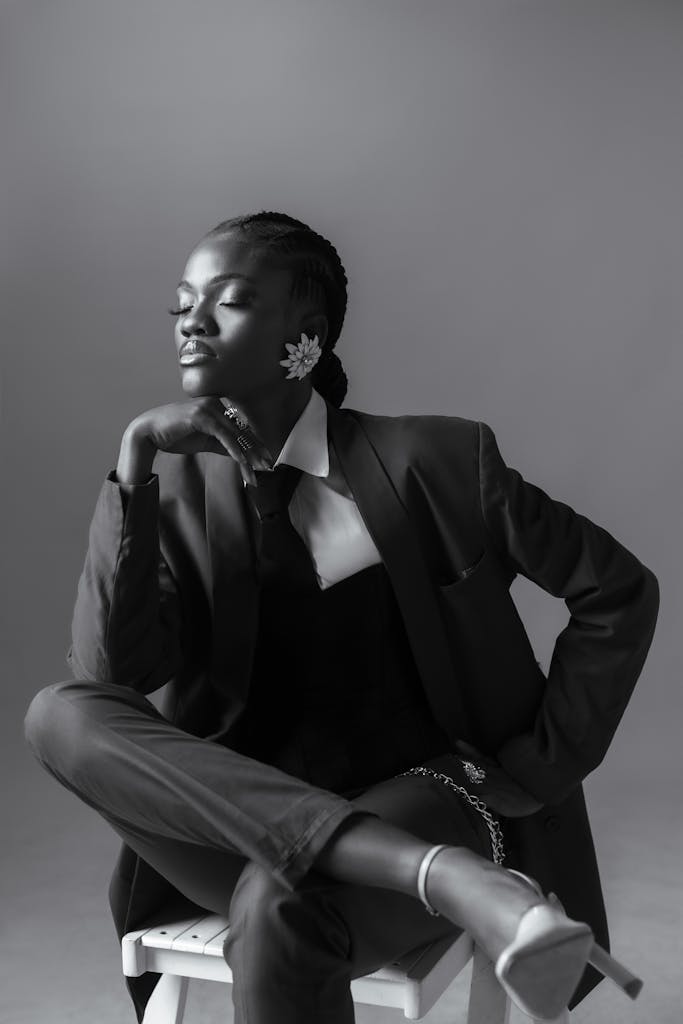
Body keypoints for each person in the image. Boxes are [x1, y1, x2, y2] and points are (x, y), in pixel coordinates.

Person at [24, 210, 659, 1024]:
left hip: (431, 797)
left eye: (229, 300)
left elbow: (616, 589)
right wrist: (136, 458)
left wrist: (537, 767)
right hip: (239, 820)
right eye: (182, 303)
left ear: (307, 334)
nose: (192, 319)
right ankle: (447, 878)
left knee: (278, 907)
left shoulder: (434, 461)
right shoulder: (175, 491)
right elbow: (114, 677)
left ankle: (447, 860)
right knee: (58, 714)